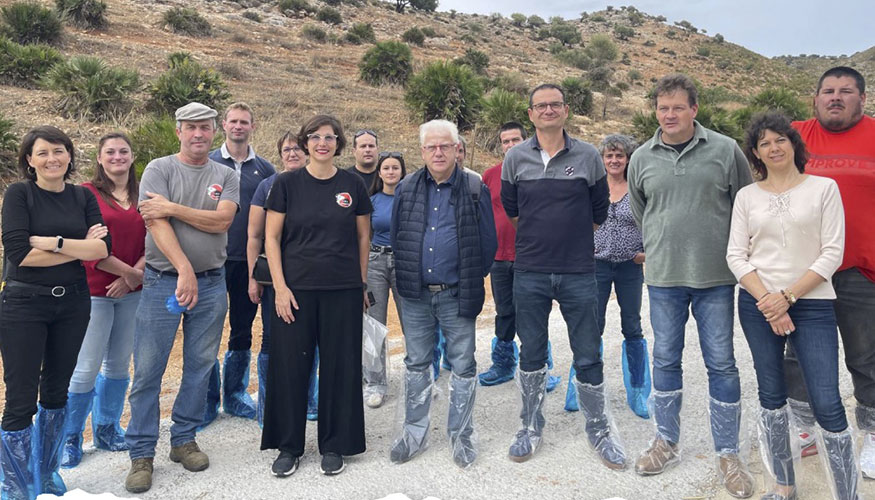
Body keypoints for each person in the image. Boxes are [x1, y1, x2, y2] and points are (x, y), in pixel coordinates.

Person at [628, 74, 754, 497]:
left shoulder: (724, 149)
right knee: (665, 359)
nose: (669, 114)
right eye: (662, 108)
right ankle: (666, 441)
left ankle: (728, 453)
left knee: (721, 362)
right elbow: (641, 209)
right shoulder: (641, 157)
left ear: (694, 110)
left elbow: (745, 205)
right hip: (663, 278)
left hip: (715, 277)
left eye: (677, 107)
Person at [728, 112, 857, 500]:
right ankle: (783, 487)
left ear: (794, 145)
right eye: (764, 142)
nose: (773, 147)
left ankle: (846, 493)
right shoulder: (746, 196)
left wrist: (788, 297)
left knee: (827, 400)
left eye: (780, 139)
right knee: (770, 394)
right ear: (756, 153)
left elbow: (832, 252)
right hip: (757, 305)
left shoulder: (823, 188)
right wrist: (768, 300)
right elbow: (736, 255)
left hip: (812, 303)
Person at [501, 84, 624, 470]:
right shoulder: (515, 158)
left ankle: (599, 429)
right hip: (531, 270)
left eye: (555, 104)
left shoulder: (588, 156)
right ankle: (530, 426)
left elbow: (599, 210)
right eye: (541, 105)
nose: (549, 110)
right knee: (532, 352)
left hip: (578, 270)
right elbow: (513, 209)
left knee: (588, 352)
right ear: (531, 112)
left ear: (566, 110)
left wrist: (567, 236)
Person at [124, 103, 239, 494]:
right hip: (162, 282)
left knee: (200, 364)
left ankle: (183, 440)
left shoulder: (225, 173)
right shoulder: (159, 168)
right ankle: (141, 454)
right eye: (190, 128)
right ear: (178, 131)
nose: (198, 135)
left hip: (211, 284)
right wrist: (184, 269)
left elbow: (222, 221)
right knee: (149, 371)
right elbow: (155, 223)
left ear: (214, 131)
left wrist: (173, 207)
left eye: (205, 128)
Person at [0, 126, 110, 499]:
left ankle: (46, 474)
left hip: (73, 302)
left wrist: (57, 243)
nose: (52, 159)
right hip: (24, 304)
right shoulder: (19, 194)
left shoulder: (82, 197)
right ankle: (15, 484)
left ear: (69, 155)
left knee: (56, 389)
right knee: (20, 395)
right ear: (29, 160)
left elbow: (102, 251)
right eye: (42, 152)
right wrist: (79, 246)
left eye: (59, 151)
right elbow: (20, 255)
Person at [261, 115, 371, 477]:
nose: (322, 143)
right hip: (295, 292)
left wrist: (361, 284)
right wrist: (279, 287)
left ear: (338, 144)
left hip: (342, 290)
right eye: (315, 137)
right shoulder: (286, 184)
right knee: (290, 367)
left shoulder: (352, 184)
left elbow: (362, 239)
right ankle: (289, 446)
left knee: (340, 369)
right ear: (305, 143)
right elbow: (271, 239)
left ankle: (335, 444)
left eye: (329, 137)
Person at [389, 119, 497, 469]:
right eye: (431, 147)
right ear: (422, 151)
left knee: (463, 365)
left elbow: (488, 243)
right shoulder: (406, 187)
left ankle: (462, 436)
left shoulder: (474, 186)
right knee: (417, 364)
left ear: (456, 149)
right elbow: (397, 237)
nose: (438, 152)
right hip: (416, 296)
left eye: (445, 146)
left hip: (456, 294)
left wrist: (466, 276)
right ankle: (414, 434)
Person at [785, 66, 875, 473]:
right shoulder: (793, 135)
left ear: (862, 98)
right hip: (804, 272)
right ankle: (804, 431)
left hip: (861, 271)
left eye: (846, 91)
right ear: (815, 98)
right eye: (828, 91)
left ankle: (871, 435)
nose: (836, 97)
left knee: (866, 356)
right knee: (800, 355)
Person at [60, 133, 146, 469]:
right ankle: (70, 437)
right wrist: (129, 274)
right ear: (99, 157)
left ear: (132, 155)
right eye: (109, 151)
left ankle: (108, 428)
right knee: (85, 369)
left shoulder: (143, 193)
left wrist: (132, 279)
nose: (117, 156)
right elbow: (86, 246)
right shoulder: (85, 194)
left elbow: (153, 239)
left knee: (118, 365)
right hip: (94, 290)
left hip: (132, 293)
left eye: (123, 151)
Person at [564, 134, 650, 419]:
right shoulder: (593, 187)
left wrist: (646, 251)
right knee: (590, 325)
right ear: (601, 160)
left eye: (619, 156)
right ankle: (580, 387)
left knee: (632, 326)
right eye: (609, 156)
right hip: (596, 265)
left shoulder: (637, 188)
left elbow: (653, 221)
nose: (614, 160)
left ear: (628, 159)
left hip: (629, 266)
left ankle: (638, 391)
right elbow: (575, 221)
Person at [202, 102, 276, 427]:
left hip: (247, 263)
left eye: (244, 122)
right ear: (223, 126)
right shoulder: (207, 164)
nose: (238, 127)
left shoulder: (266, 170)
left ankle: (234, 395)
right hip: (211, 261)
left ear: (252, 126)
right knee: (205, 332)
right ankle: (206, 403)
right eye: (233, 121)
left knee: (242, 329)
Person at [478, 122, 561, 392]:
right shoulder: (490, 175)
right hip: (499, 257)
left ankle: (540, 368)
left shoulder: (539, 171)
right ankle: (503, 365)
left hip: (532, 257)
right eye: (505, 141)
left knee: (533, 313)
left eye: (515, 140)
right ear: (500, 145)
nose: (510, 145)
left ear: (526, 141)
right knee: (504, 312)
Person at [246, 131, 318, 427]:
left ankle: (308, 400)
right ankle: (268, 407)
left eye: (297, 149)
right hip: (276, 276)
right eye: (286, 149)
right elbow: (254, 235)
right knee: (272, 342)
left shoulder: (320, 182)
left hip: (313, 276)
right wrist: (253, 277)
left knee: (311, 340)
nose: (292, 154)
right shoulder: (267, 186)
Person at [363, 151, 407, 409]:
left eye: (395, 168)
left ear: (402, 172)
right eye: (386, 168)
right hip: (376, 263)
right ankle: (375, 383)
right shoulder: (372, 201)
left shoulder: (410, 199)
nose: (391, 172)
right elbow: (364, 236)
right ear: (379, 173)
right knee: (374, 325)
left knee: (412, 322)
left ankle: (419, 378)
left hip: (403, 263)